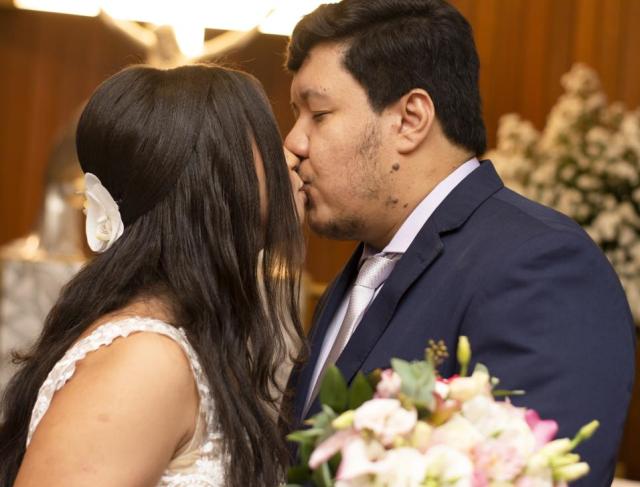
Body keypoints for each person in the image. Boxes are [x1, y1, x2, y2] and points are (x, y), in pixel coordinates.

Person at [283, 1, 636, 485]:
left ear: (411, 118)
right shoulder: (365, 266)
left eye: (318, 114)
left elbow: (536, 472)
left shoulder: (542, 266)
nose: (294, 143)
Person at [0, 64, 307, 486]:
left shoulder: (187, 343)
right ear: (211, 179)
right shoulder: (144, 362)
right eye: (269, 143)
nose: (290, 157)